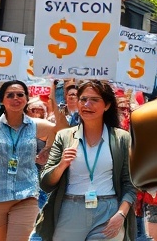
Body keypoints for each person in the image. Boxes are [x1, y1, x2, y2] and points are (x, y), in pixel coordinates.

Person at [36, 81, 136, 241]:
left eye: (94, 100)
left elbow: (130, 184)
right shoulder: (64, 137)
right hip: (70, 211)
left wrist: (121, 214)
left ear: (107, 105)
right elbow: (45, 183)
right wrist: (61, 165)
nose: (87, 105)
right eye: (83, 99)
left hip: (108, 212)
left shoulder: (121, 138)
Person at [0, 81, 63, 241]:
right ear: (2, 100)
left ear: (26, 99)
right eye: (10, 95)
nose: (15, 98)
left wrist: (47, 149)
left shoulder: (34, 125)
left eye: (20, 94)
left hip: (25, 196)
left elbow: (61, 130)